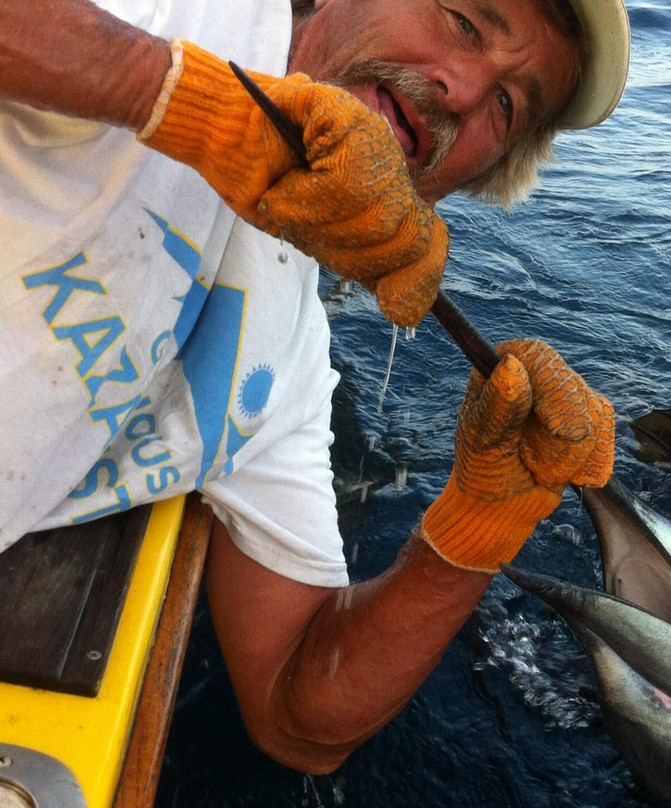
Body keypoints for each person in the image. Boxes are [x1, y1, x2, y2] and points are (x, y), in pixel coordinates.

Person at [0, 0, 630, 774]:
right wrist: (184, 102)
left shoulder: (281, 359)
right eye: (465, 21)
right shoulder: (176, 12)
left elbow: (297, 718)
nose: (462, 91)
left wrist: (481, 523)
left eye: (507, 105)